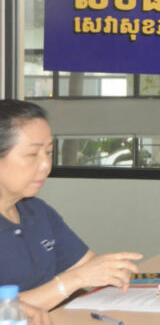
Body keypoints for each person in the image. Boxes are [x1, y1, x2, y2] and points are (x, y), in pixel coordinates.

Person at [0, 101, 142, 311]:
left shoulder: (37, 212)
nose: (46, 165)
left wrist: (115, 272)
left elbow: (89, 266)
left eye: (49, 152)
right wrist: (72, 281)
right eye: (32, 154)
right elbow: (4, 310)